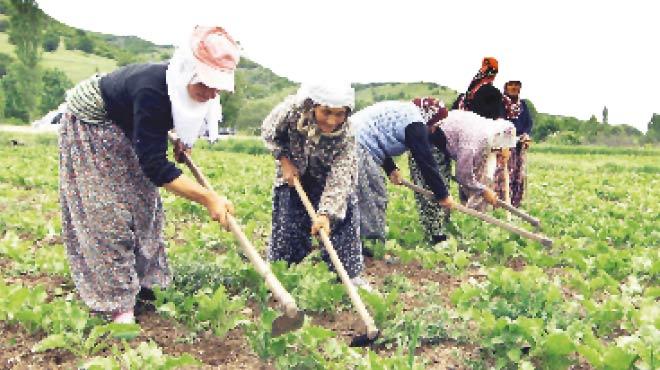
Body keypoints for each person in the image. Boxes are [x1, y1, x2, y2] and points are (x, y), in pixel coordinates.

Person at [58, 26, 239, 324]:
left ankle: (148, 286)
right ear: (188, 72)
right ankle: (116, 304)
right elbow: (154, 165)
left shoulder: (200, 92)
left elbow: (180, 117)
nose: (211, 92)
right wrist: (207, 197)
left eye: (217, 86)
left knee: (144, 206)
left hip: (126, 125)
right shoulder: (152, 89)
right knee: (107, 213)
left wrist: (183, 141)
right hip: (91, 124)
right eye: (205, 85)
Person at [261, 83, 370, 289]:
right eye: (326, 112)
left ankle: (348, 276)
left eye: (339, 114)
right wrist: (284, 161)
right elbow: (269, 132)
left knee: (342, 218)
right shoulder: (291, 112)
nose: (331, 121)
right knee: (288, 219)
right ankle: (281, 272)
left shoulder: (347, 135)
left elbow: (340, 177)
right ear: (313, 106)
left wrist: (326, 215)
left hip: (327, 175)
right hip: (293, 168)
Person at [353, 98, 454, 242]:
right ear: (430, 117)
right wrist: (443, 194)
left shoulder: (407, 113)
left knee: (357, 196)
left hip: (356, 139)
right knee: (374, 196)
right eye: (436, 124)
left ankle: (352, 239)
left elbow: (379, 134)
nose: (434, 129)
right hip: (358, 145)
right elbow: (425, 161)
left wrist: (391, 169)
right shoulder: (415, 123)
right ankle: (372, 245)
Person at [434, 109, 516, 211]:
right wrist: (483, 191)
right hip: (434, 136)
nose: (498, 154)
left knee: (445, 189)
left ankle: (468, 214)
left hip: (449, 137)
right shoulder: (473, 144)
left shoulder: (491, 131)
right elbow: (463, 175)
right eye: (498, 150)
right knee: (438, 193)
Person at [501, 80, 533, 206]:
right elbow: (500, 122)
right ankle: (503, 204)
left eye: (517, 85)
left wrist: (525, 135)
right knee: (505, 174)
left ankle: (516, 204)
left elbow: (528, 123)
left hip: (520, 143)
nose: (514, 87)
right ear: (506, 87)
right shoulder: (501, 103)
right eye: (511, 85)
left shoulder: (523, 105)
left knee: (519, 175)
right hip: (505, 143)